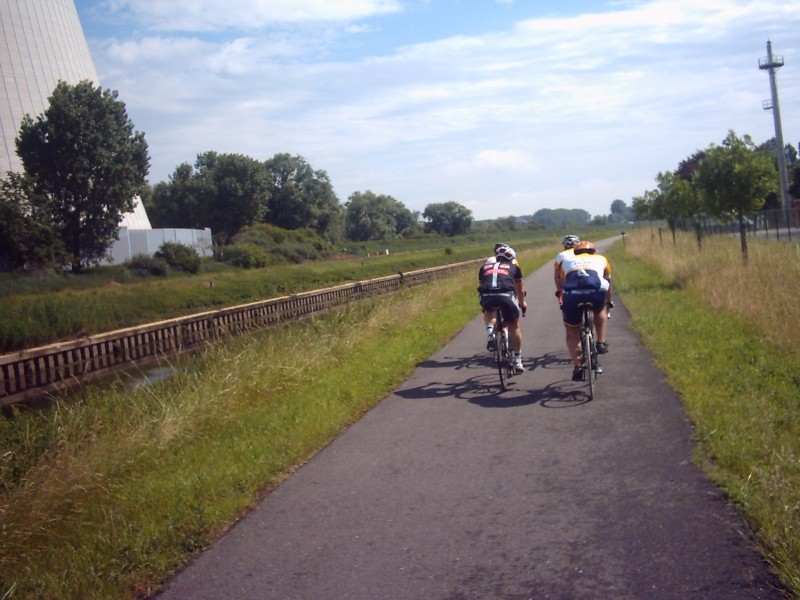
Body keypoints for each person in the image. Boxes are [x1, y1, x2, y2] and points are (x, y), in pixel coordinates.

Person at [558, 240, 611, 381]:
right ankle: (601, 342)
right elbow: (607, 280)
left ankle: (578, 366)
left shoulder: (567, 261)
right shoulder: (601, 259)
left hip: (572, 295)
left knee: (571, 330)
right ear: (593, 251)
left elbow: (563, 281)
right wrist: (609, 301)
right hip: (595, 292)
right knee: (600, 310)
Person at [479, 244, 527, 374]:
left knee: (488, 310)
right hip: (506, 295)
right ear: (511, 259)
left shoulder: (484, 267)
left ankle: (490, 333)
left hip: (486, 295)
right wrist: (522, 303)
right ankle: (518, 360)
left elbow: (482, 284)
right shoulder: (514, 267)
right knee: (514, 326)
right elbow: (520, 289)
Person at [553, 234, 580, 304]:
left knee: (566, 304)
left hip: (567, 281)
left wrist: (559, 290)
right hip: (586, 278)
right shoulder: (583, 252)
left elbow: (556, 276)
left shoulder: (561, 255)